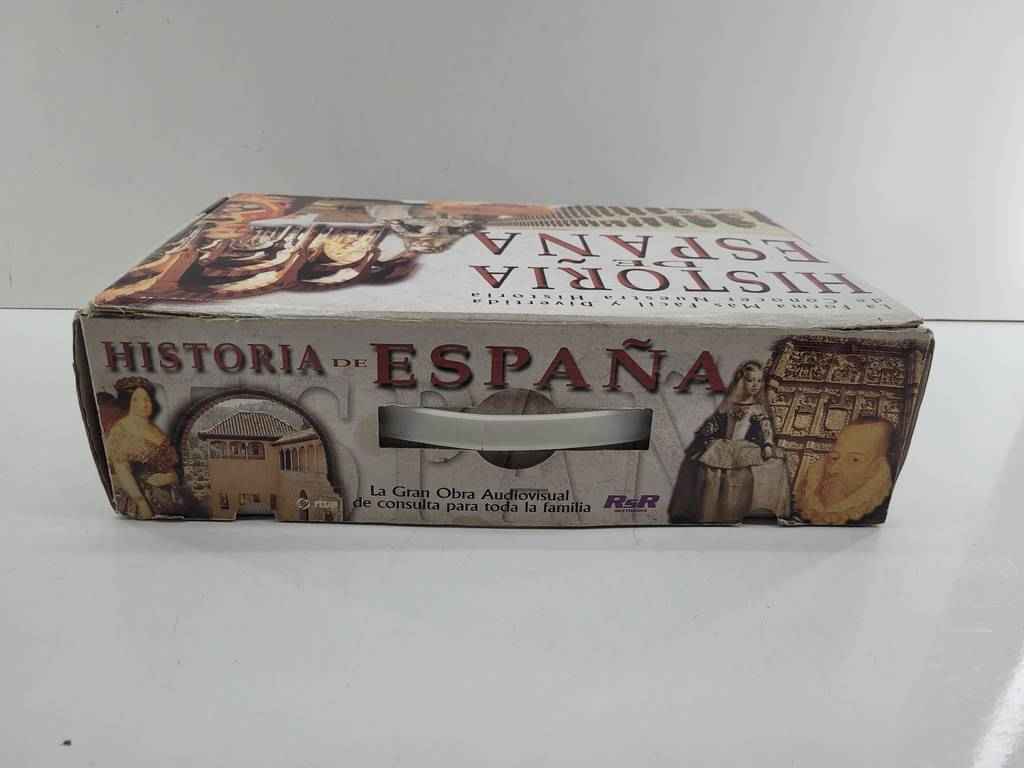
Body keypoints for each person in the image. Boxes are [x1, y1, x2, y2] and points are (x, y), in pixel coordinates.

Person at [669, 361, 790, 523]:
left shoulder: (758, 408)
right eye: (750, 380)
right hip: (723, 446)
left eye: (759, 380)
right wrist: (708, 433)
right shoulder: (728, 404)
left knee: (769, 467)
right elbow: (713, 425)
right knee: (709, 472)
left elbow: (766, 428)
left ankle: (742, 514)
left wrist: (767, 444)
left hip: (745, 448)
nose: (755, 385)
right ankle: (714, 514)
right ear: (741, 381)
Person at [104, 378, 181, 519]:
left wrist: (171, 477)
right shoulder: (121, 430)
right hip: (141, 498)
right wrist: (142, 504)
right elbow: (123, 471)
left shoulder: (155, 429)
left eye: (147, 399)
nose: (144, 404)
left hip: (167, 497)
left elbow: (171, 467)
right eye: (136, 400)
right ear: (128, 403)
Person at [794, 417, 894, 524]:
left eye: (854, 460)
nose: (833, 470)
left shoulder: (880, 513)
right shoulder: (807, 502)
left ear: (878, 467)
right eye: (834, 457)